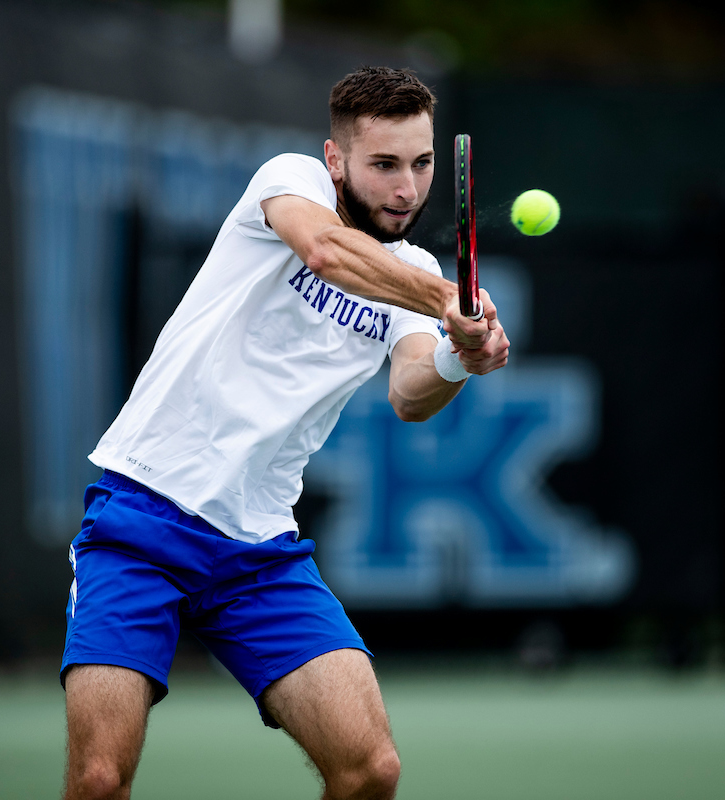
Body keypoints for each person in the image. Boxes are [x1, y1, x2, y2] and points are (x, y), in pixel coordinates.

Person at [61, 66, 510, 800]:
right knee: (101, 779)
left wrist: (461, 358)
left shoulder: (413, 270)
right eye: (384, 165)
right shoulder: (290, 179)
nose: (407, 188)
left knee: (371, 770)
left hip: (260, 553)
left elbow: (409, 393)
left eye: (422, 163)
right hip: (141, 520)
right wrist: (448, 300)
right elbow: (328, 253)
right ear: (337, 161)